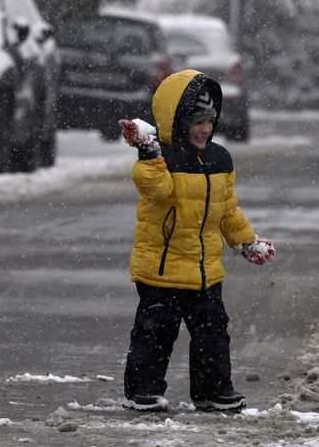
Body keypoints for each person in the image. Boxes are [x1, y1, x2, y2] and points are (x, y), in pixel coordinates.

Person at [117, 69, 275, 413]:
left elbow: (227, 210)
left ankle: (213, 391)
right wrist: (148, 151)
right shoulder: (161, 160)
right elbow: (157, 190)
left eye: (210, 119)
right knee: (155, 334)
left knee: (213, 334)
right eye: (196, 120)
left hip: (205, 271)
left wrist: (246, 242)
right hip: (162, 271)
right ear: (176, 120)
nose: (205, 128)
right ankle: (142, 390)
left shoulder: (220, 159)